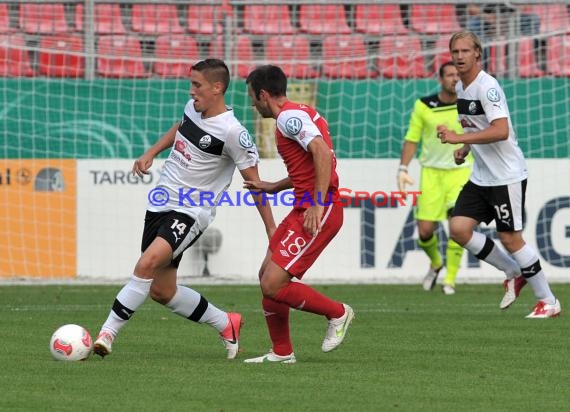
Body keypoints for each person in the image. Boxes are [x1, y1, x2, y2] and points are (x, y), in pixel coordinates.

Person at [93, 59, 276, 359]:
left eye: (197, 85)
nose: (191, 91)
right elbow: (181, 128)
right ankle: (225, 322)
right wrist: (151, 152)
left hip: (191, 212)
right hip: (160, 202)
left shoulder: (233, 133)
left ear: (217, 87)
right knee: (162, 291)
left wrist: (271, 228)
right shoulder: (194, 109)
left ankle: (107, 334)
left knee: (146, 264)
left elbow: (255, 184)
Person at [437, 31, 561, 318]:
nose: (459, 56)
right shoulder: (462, 89)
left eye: (465, 51)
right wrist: (464, 147)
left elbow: (501, 130)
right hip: (482, 176)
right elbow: (472, 126)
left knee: (510, 237)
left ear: (478, 53)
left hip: (506, 175)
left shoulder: (487, 86)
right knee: (458, 229)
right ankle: (511, 271)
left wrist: (457, 138)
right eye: (455, 51)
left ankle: (549, 301)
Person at [242, 65, 354, 363]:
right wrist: (273, 186)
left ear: (263, 94)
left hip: (319, 208)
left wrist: (317, 203)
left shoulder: (289, 118)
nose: (252, 103)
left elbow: (321, 153)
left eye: (252, 96)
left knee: (273, 282)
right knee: (266, 276)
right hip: (303, 207)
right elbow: (310, 164)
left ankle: (338, 313)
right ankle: (281, 352)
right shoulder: (299, 113)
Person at [398, 61, 471, 295]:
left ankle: (450, 279)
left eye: (457, 75)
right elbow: (412, 139)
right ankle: (437, 263)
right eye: (449, 75)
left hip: (461, 172)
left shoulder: (468, 105)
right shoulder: (424, 105)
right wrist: (403, 168)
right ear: (440, 79)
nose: (454, 79)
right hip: (431, 173)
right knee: (425, 231)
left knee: (457, 227)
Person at [464, 3, 542, 72]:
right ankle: (483, 69)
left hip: (514, 18)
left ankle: (534, 64)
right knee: (472, 24)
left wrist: (510, 18)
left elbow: (526, 4)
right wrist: (489, 18)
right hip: (486, 19)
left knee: (534, 19)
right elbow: (471, 8)